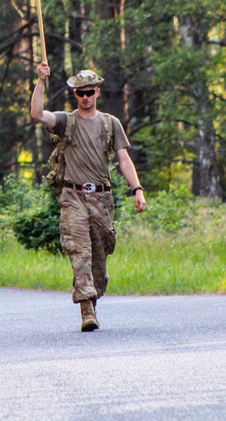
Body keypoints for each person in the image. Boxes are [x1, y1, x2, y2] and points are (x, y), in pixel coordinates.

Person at [31, 61, 146, 332]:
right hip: (73, 196)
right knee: (79, 251)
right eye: (80, 92)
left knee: (99, 259)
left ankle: (93, 296)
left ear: (97, 93)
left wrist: (137, 189)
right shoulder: (65, 121)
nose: (85, 97)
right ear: (75, 94)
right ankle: (86, 310)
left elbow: (123, 158)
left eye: (89, 92)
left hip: (102, 199)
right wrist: (40, 81)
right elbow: (37, 114)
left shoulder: (110, 123)